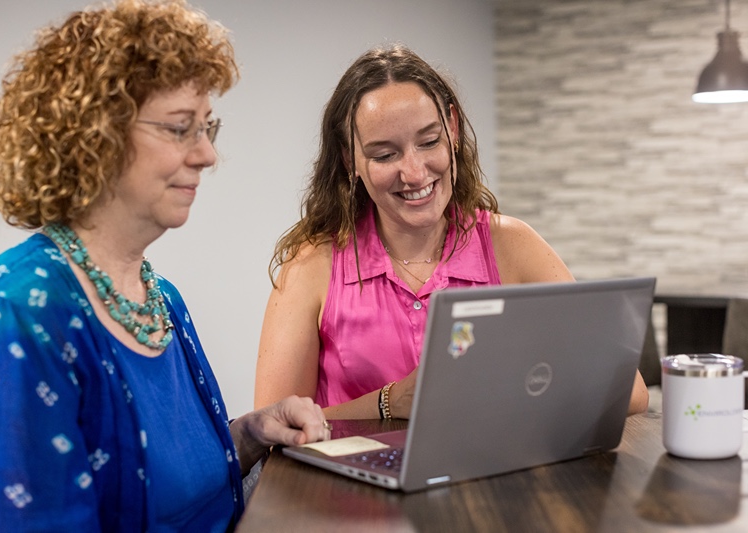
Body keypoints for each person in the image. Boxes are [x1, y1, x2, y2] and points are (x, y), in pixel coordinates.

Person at [0, 1, 331, 531]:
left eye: (206, 128)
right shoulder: (18, 310)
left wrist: (248, 434)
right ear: (95, 137)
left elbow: (179, 492)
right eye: (180, 129)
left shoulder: (160, 297)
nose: (206, 155)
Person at [254, 43, 649, 420]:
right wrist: (388, 403)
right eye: (384, 155)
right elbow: (274, 429)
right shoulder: (312, 267)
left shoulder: (513, 246)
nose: (414, 173)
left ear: (453, 128)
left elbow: (629, 392)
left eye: (429, 142)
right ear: (349, 159)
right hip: (352, 489)